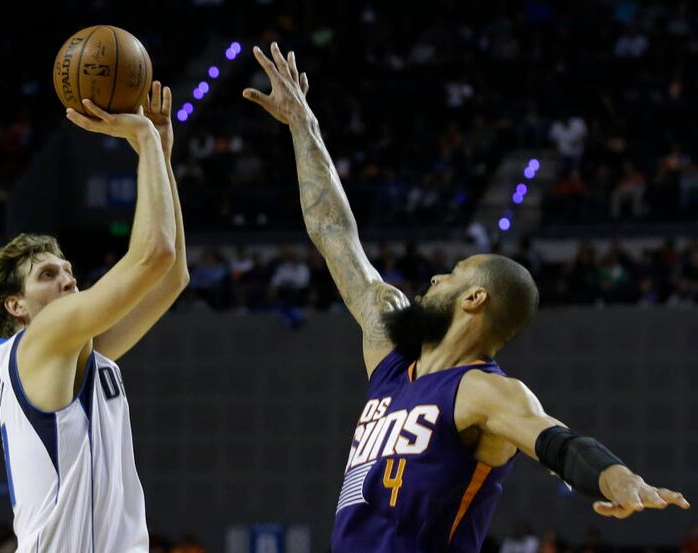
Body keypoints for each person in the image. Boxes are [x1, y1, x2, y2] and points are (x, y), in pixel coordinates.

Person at [243, 43, 690, 553]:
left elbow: (557, 442)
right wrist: (304, 126)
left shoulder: (484, 393)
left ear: (475, 298)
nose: (435, 278)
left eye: (452, 274)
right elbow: (334, 233)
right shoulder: (390, 354)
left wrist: (616, 478)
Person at [0, 82, 188, 552]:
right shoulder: (42, 337)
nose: (69, 280)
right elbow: (154, 252)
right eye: (48, 275)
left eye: (68, 270)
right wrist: (146, 142)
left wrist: (162, 157)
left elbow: (172, 276)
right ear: (17, 306)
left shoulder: (78, 352)